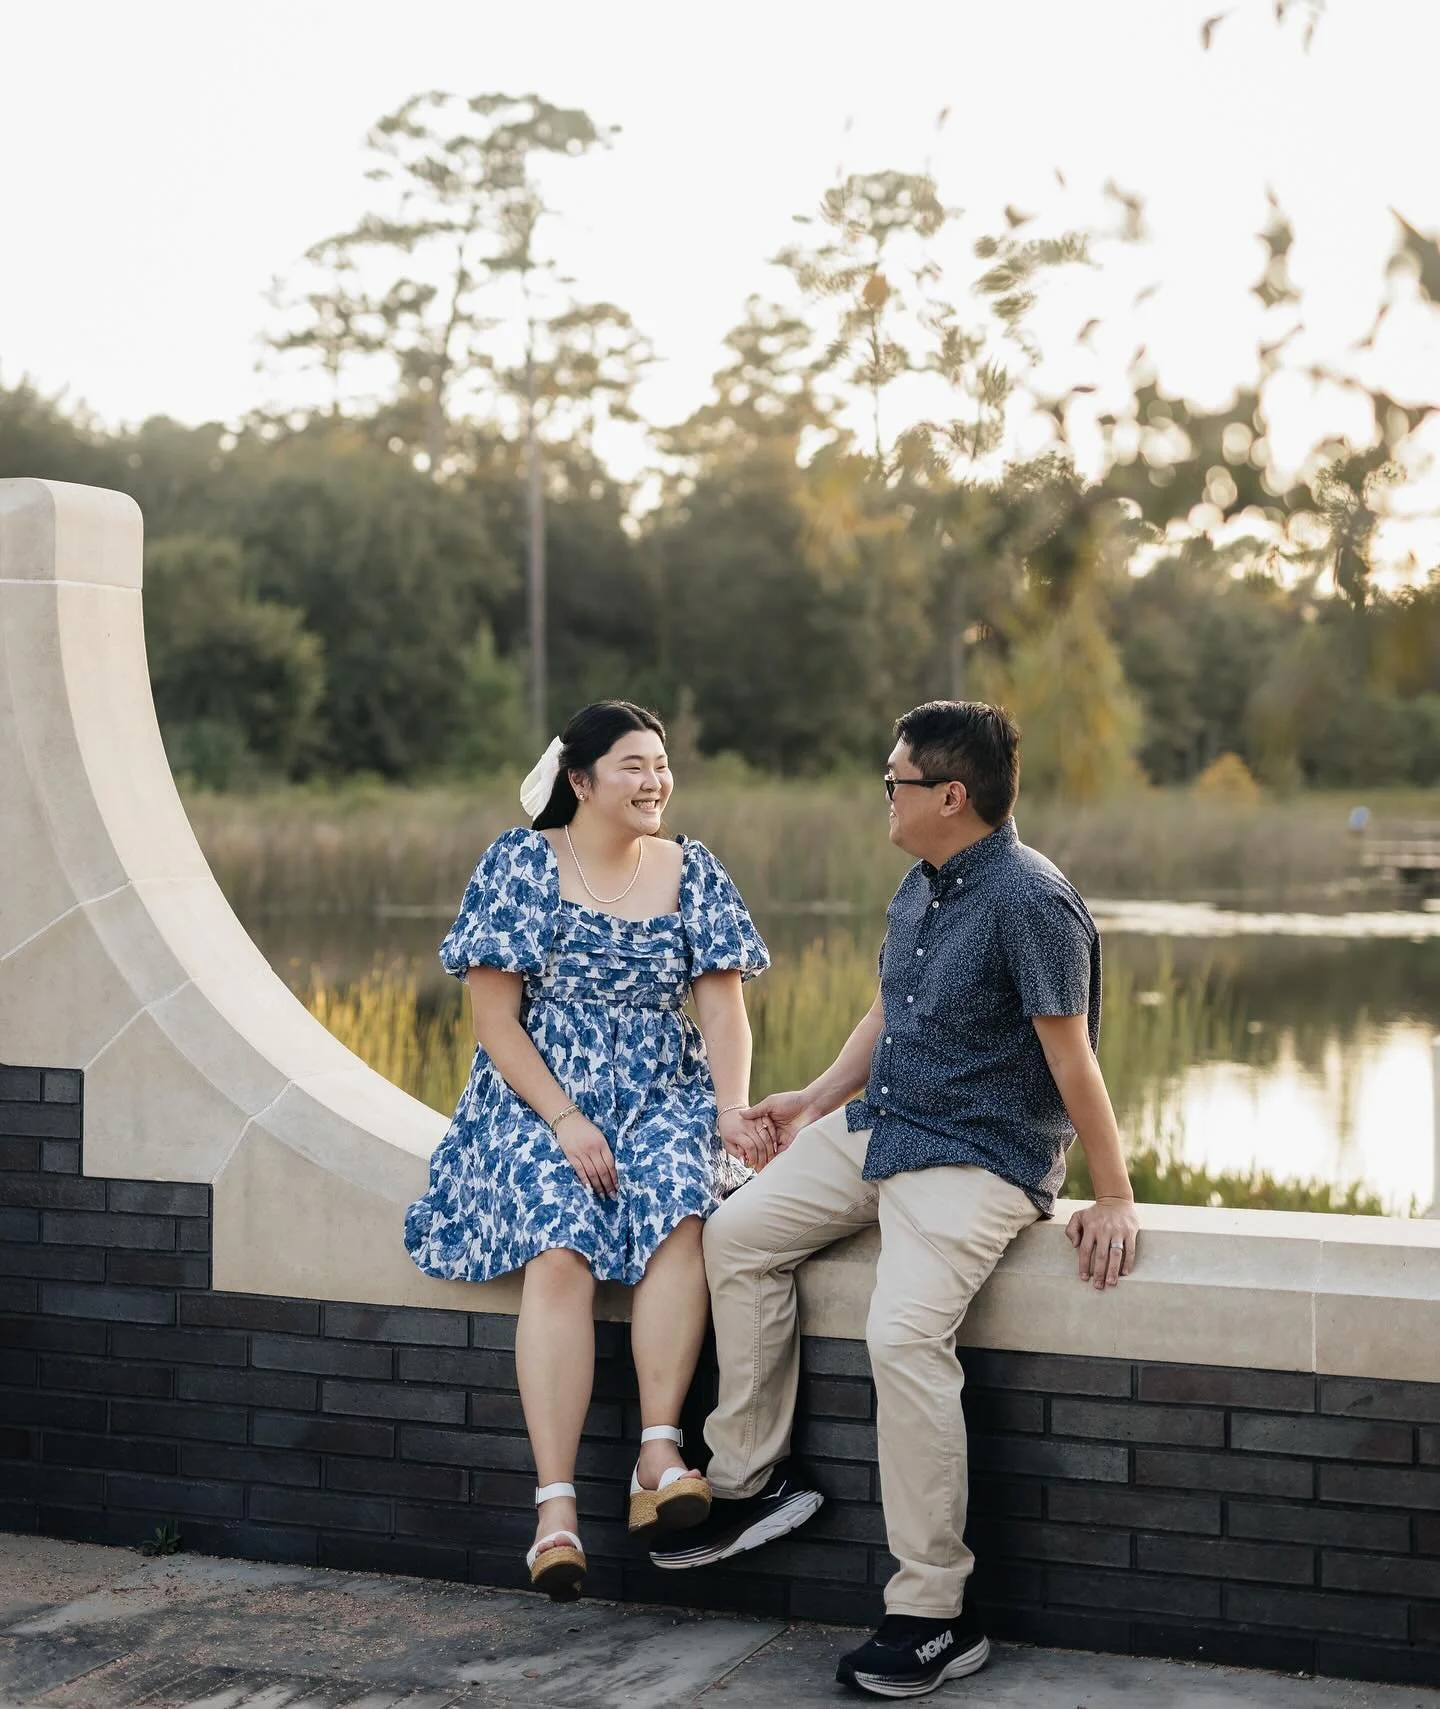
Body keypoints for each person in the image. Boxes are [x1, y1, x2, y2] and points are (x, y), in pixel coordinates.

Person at [651, 700, 1141, 1700]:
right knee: (735, 1232)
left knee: (902, 1335)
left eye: (895, 780)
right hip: (883, 1123)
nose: (885, 792)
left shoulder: (1030, 901)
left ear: (949, 795)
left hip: (978, 1155)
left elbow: (1072, 1057)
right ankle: (752, 1476)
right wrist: (812, 1098)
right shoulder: (920, 886)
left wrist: (1115, 1192)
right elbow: (890, 1009)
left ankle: (934, 1611)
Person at [404, 700, 774, 1602]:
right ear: (580, 779)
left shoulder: (693, 870)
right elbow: (493, 1019)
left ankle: (658, 1452)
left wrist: (730, 1108)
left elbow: (723, 1007)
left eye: (661, 765)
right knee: (561, 1240)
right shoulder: (523, 863)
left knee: (680, 1212)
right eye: (632, 767)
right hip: (538, 1096)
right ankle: (556, 1510)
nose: (654, 782)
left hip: (661, 1091)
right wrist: (566, 1118)